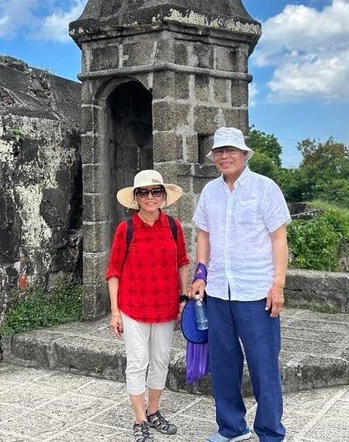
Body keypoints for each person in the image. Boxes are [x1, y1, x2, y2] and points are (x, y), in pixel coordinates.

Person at [190, 127, 291, 442]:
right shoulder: (210, 192)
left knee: (263, 365)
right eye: (219, 151)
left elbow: (279, 238)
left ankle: (270, 432)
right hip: (218, 290)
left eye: (231, 150)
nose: (224, 156)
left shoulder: (265, 188)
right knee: (223, 363)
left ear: (244, 154)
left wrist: (278, 284)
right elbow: (203, 234)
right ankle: (232, 428)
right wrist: (200, 274)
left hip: (256, 291)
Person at [106, 169, 190, 442]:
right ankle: (140, 418)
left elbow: (182, 263)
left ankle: (154, 411)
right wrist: (115, 311)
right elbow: (114, 271)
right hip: (133, 306)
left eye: (156, 191)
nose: (150, 197)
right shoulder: (126, 229)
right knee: (137, 361)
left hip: (165, 306)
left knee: (160, 361)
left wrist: (183, 298)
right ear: (136, 197)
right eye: (144, 192)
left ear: (163, 196)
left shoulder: (174, 227)